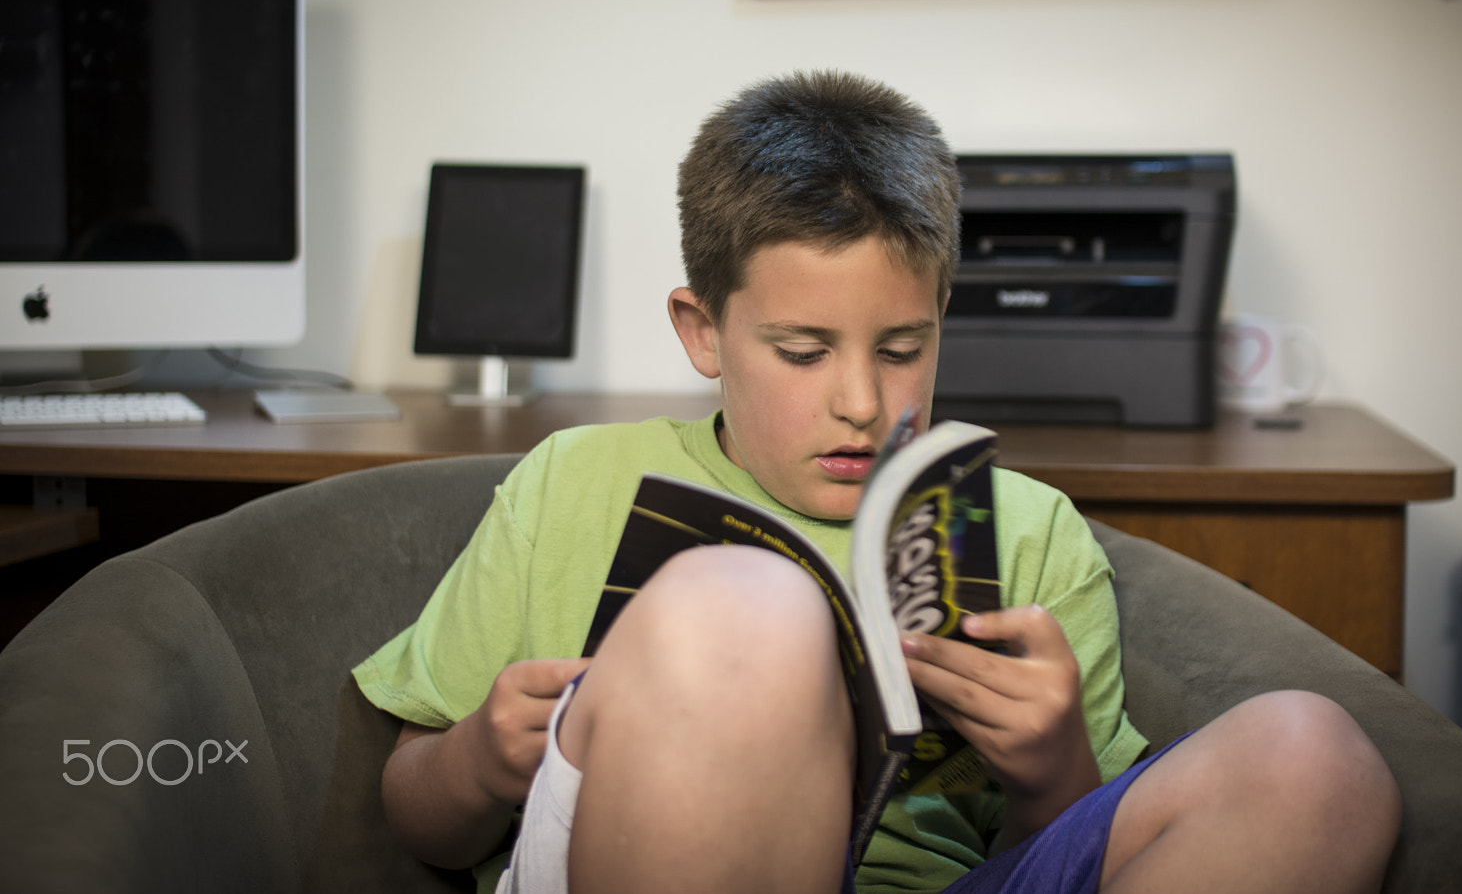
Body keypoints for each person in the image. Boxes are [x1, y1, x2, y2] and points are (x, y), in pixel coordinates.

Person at [354, 70, 1401, 894]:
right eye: (803, 352)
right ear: (702, 331)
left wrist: (1052, 765)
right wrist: (481, 760)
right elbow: (415, 813)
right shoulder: (570, 480)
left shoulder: (1026, 535)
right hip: (626, 860)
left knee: (1316, 759)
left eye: (902, 346)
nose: (860, 400)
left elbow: (1073, 846)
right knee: (745, 607)